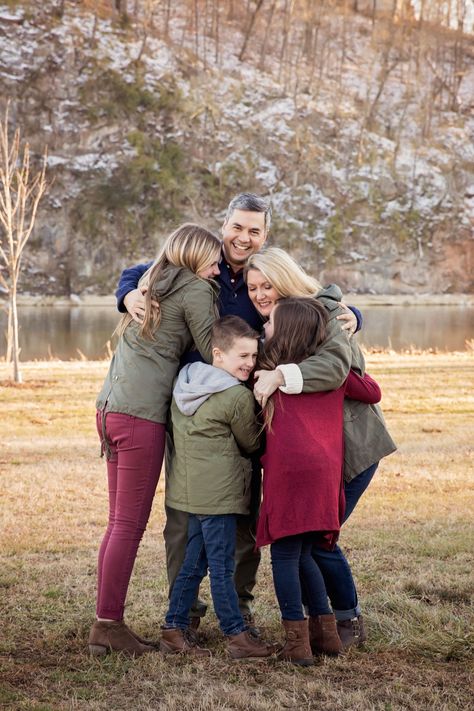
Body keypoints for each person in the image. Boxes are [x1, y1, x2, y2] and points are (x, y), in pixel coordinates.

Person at [114, 193, 361, 629]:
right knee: (185, 511)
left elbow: (316, 300)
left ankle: (239, 604)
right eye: (237, 227)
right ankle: (185, 611)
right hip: (193, 404)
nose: (243, 238)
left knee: (244, 506)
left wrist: (354, 314)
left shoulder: (265, 278)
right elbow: (151, 266)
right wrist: (128, 290)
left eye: (254, 231)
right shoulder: (201, 262)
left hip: (250, 402)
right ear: (224, 224)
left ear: (265, 236)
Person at [246, 247, 397, 649]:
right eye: (253, 287)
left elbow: (335, 369)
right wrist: (130, 289)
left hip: (352, 449)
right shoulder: (281, 324)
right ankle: (323, 626)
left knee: (316, 538)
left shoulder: (322, 315)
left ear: (286, 281)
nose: (260, 294)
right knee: (309, 537)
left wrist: (278, 375)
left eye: (267, 285)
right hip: (319, 452)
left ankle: (346, 620)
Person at [88, 224, 221, 657]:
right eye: (213, 260)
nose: (218, 268)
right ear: (197, 258)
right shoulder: (198, 289)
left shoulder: (151, 279)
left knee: (116, 523)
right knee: (128, 525)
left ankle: (105, 621)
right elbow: (211, 350)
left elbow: (134, 271)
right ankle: (108, 625)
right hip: (141, 415)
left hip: (109, 408)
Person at [160, 316, 274, 660]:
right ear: (218, 354)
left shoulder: (186, 383)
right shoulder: (235, 396)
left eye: (254, 357)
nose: (250, 364)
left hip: (190, 492)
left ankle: (173, 628)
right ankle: (236, 636)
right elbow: (253, 443)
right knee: (222, 567)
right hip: (221, 496)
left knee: (194, 563)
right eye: (242, 356)